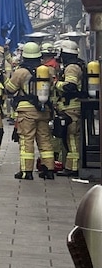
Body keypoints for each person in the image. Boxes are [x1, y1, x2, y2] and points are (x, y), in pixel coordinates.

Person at [4, 41, 56, 180]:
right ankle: (49, 169)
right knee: (45, 140)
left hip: (26, 111)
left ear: (24, 56)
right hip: (44, 110)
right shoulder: (48, 70)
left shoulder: (20, 72)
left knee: (27, 140)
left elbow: (9, 89)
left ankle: (26, 172)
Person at [52, 38, 85, 176]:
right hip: (69, 107)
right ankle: (69, 166)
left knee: (72, 138)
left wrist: (56, 84)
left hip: (71, 108)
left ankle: (73, 168)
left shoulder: (71, 67)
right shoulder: (76, 65)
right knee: (68, 138)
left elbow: (70, 87)